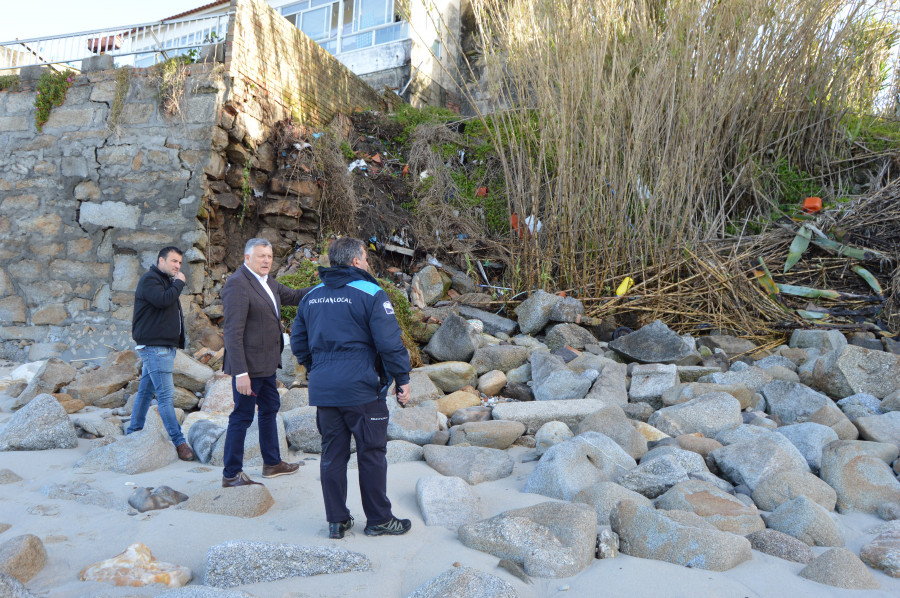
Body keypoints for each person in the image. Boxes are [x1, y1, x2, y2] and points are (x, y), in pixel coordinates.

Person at [291, 236, 412, 539]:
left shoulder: (311, 296)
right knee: (371, 453)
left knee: (333, 453)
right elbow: (389, 343)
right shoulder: (372, 293)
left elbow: (298, 344)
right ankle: (379, 519)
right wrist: (403, 379)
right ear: (357, 261)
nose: (368, 264)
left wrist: (318, 368)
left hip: (325, 388)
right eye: (366, 259)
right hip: (362, 388)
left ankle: (337, 520)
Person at [220, 238, 312, 487]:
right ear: (246, 257)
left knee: (270, 410)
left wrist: (327, 286)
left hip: (267, 366)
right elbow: (232, 333)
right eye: (261, 256)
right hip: (248, 368)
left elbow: (294, 296)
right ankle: (231, 474)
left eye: (269, 256)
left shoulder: (267, 282)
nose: (266, 260)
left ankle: (272, 463)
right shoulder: (238, 284)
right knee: (242, 416)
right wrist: (240, 373)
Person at [128, 246, 194, 461]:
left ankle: (133, 433)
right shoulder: (150, 280)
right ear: (161, 261)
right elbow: (163, 300)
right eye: (173, 261)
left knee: (146, 392)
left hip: (163, 348)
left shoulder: (165, 282)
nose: (177, 266)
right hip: (155, 348)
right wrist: (180, 283)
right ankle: (179, 442)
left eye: (179, 263)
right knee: (165, 398)